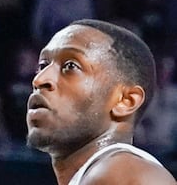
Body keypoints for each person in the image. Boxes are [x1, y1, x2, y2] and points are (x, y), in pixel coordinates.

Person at [28, 20, 174, 185]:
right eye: (43, 65)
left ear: (125, 101)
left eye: (70, 66)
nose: (39, 80)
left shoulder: (120, 173)